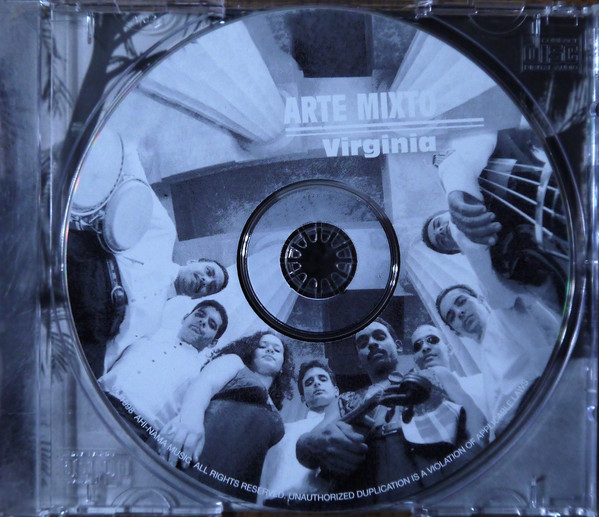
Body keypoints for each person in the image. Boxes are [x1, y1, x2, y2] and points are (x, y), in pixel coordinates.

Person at [422, 128, 567, 306]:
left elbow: (480, 140)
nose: (440, 231)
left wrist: (455, 188)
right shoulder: (495, 265)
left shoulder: (478, 176)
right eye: (441, 241)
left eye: (437, 224)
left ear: (445, 211)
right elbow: (500, 299)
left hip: (559, 181)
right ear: (457, 251)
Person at [160, 331, 295, 502]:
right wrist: (189, 419)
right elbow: (205, 383)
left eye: (277, 350)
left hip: (235, 490)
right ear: (250, 351)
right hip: (195, 458)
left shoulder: (275, 410)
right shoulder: (235, 362)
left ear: (283, 365)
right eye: (262, 346)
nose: (270, 350)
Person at [435, 284, 558, 434]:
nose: (459, 312)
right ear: (457, 332)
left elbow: (550, 344)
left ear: (480, 299)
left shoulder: (504, 314)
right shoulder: (485, 365)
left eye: (461, 302)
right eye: (451, 316)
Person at [99, 299, 228, 437]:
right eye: (200, 314)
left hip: (132, 427)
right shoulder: (148, 334)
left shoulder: (198, 378)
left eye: (211, 324)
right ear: (185, 318)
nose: (203, 321)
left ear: (213, 343)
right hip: (99, 395)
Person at [260, 360, 341, 504]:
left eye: (322, 379)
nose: (316, 383)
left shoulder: (355, 423)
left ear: (336, 391)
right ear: (304, 399)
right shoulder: (284, 432)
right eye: (309, 382)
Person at [409, 324, 488, 443]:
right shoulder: (415, 411)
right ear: (415, 360)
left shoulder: (482, 382)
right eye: (417, 346)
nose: (425, 347)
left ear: (449, 348)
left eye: (432, 340)